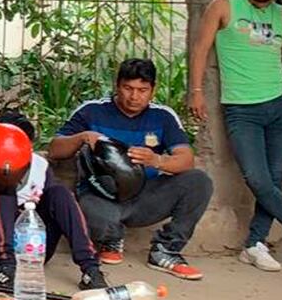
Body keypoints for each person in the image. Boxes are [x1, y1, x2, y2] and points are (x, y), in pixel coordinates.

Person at [189, 0, 282, 271]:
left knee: (274, 179)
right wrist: (195, 92)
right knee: (257, 178)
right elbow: (200, 48)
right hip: (241, 108)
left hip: (278, 105)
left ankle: (254, 244)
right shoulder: (224, 6)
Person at [50, 58, 213, 281]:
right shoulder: (92, 111)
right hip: (101, 196)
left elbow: (186, 160)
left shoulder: (163, 116)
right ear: (117, 85)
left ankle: (165, 250)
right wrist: (83, 137)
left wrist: (156, 160)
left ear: (153, 90)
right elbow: (55, 150)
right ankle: (110, 239)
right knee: (90, 210)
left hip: (145, 195)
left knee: (199, 181)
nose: (134, 96)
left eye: (142, 90)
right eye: (128, 88)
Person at [0, 113, 107, 290]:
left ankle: (90, 269)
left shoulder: (40, 165)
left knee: (61, 193)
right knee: (3, 192)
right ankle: (6, 267)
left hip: (33, 247)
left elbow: (53, 205)